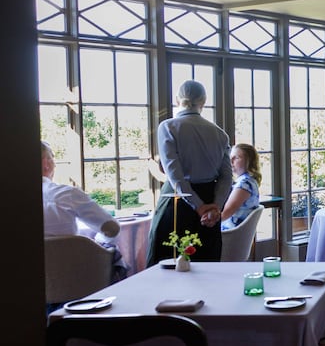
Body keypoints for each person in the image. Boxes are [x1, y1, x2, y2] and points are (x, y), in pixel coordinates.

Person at [146, 80, 231, 265]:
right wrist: (214, 207)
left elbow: (174, 174)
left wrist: (198, 206)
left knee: (168, 266)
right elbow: (226, 177)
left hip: (177, 203)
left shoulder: (168, 127)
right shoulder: (220, 134)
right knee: (206, 266)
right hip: (210, 202)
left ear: (178, 100)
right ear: (204, 102)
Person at [41, 141, 129, 285]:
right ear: (46, 164)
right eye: (52, 158)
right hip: (73, 281)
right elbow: (112, 228)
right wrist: (99, 244)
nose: (54, 165)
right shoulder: (66, 194)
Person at [221, 143, 262, 230]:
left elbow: (225, 214)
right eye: (230, 157)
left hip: (229, 234)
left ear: (249, 161)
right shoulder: (249, 181)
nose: (231, 161)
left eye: (236, 158)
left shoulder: (245, 184)